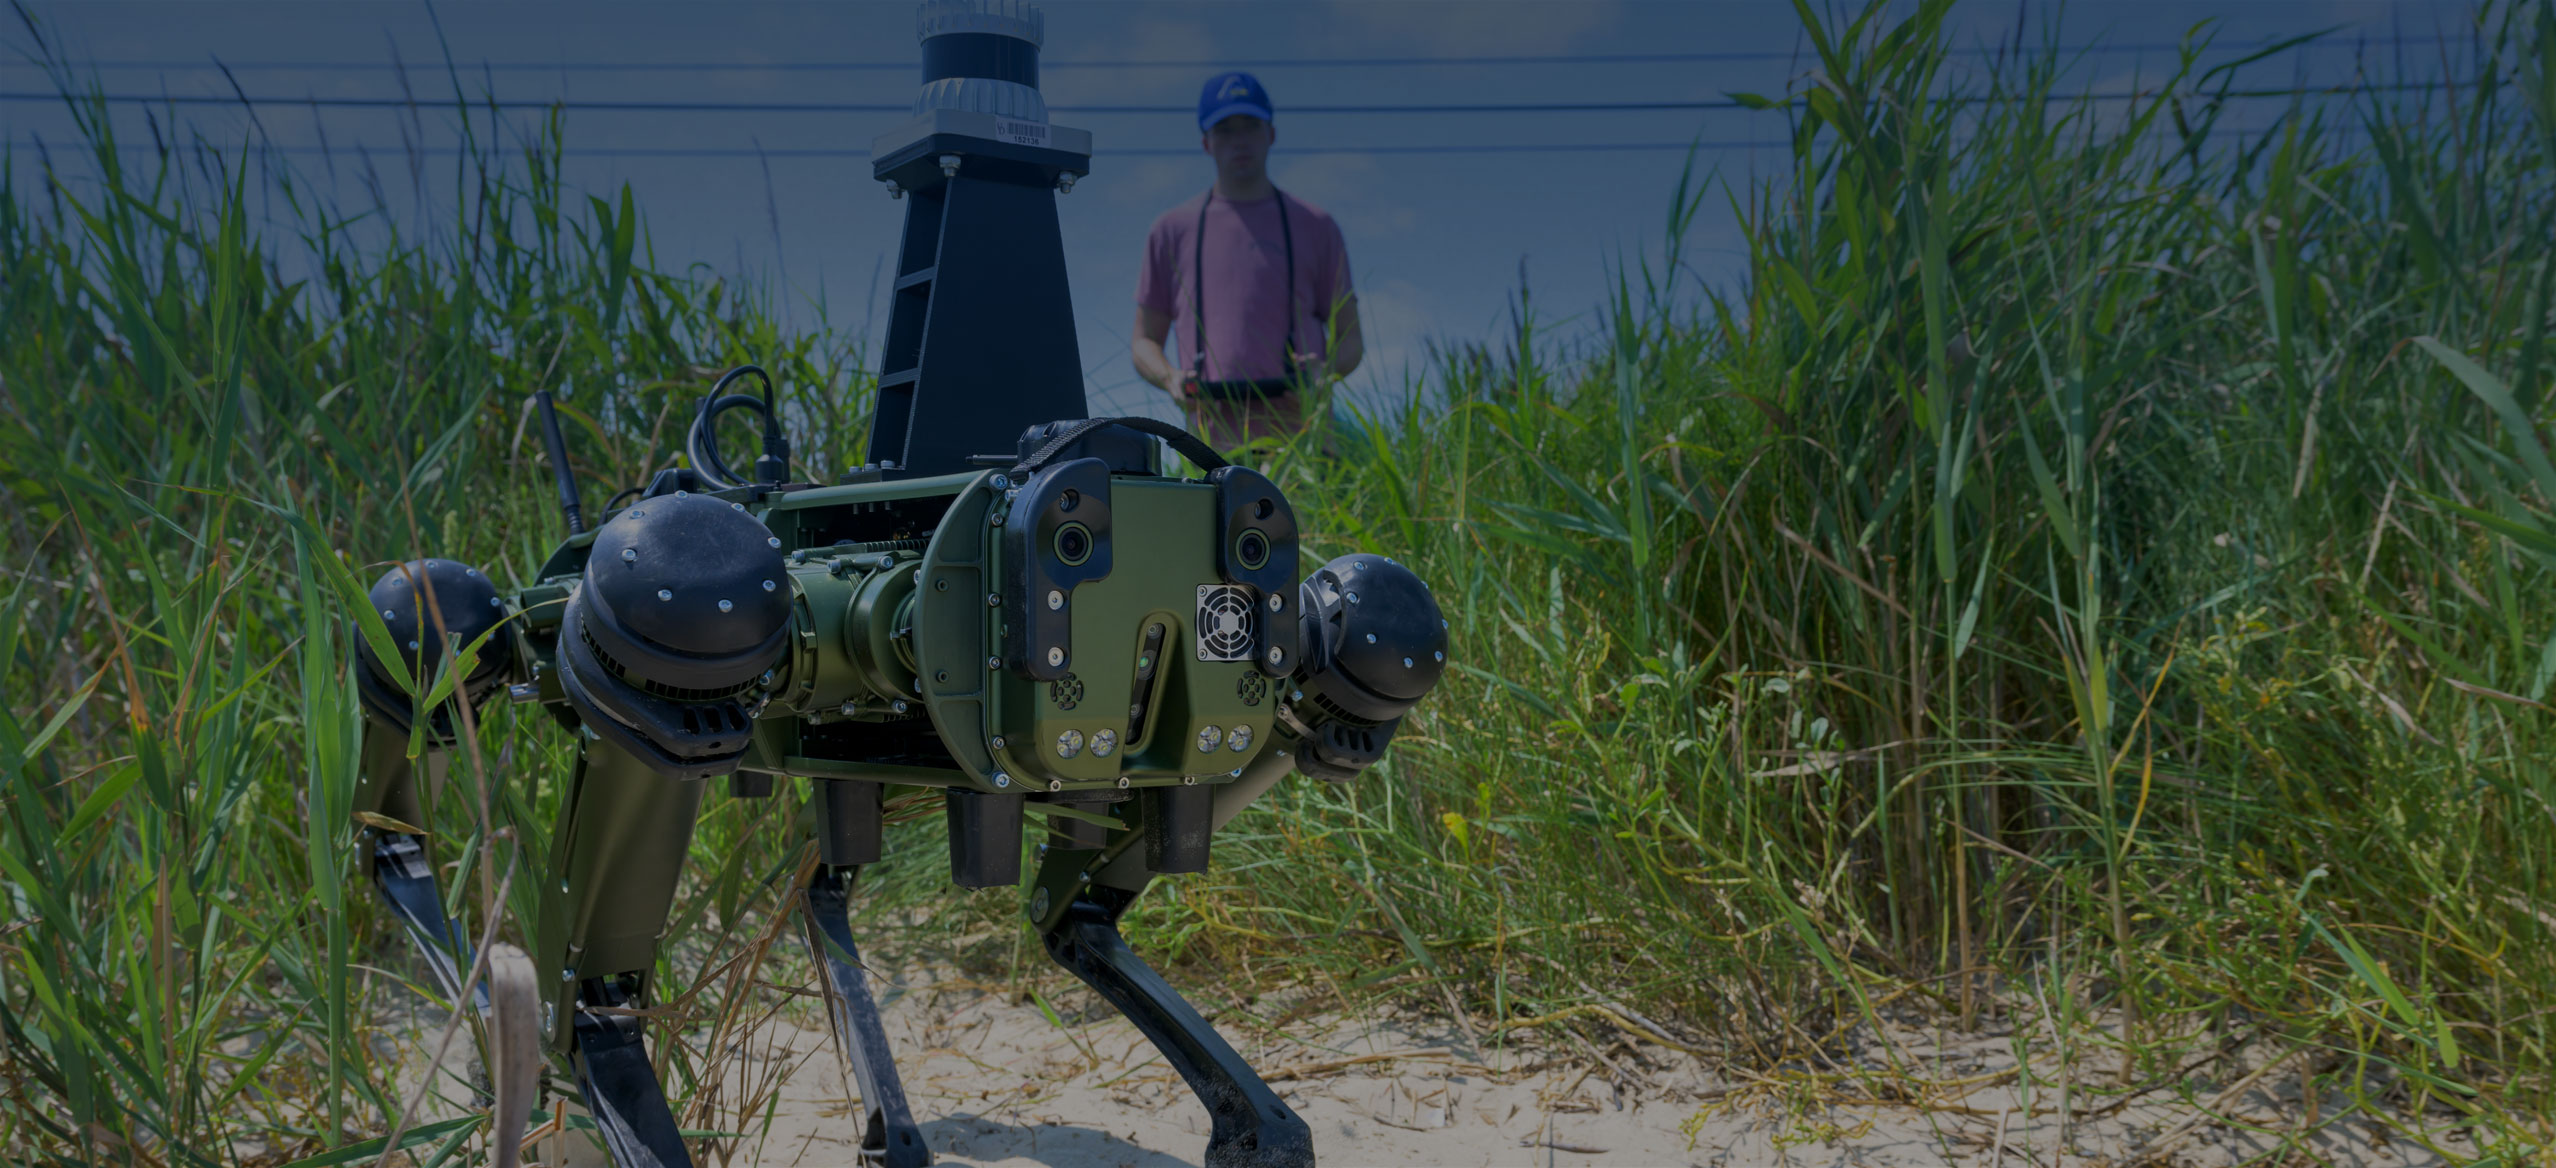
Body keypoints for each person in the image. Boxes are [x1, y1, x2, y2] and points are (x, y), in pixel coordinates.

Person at [1133, 71, 1362, 455]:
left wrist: (1326, 371)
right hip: (1212, 449)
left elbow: (1351, 339)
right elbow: (1143, 340)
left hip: (1306, 446)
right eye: (1224, 129)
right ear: (1206, 142)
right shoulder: (1170, 231)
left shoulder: (1317, 227)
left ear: (1270, 134)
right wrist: (1170, 377)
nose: (1239, 140)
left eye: (1250, 126)